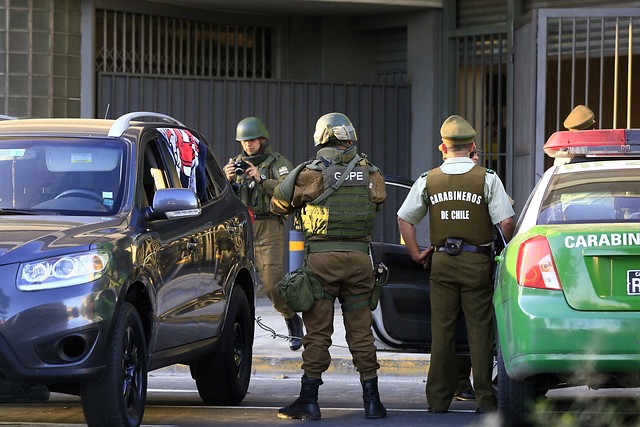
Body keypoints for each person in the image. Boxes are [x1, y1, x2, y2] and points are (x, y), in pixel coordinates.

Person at [271, 112, 387, 420]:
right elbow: (379, 198)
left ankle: (309, 400)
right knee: (361, 332)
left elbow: (278, 203)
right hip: (360, 261)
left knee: (318, 333)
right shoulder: (370, 171)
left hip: (322, 262)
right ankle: (373, 401)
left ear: (322, 138)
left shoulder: (310, 172)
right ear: (349, 137)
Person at [397, 115, 515, 413]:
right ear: (473, 146)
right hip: (477, 262)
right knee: (480, 334)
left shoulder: (429, 179)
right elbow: (507, 221)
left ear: (443, 148)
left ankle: (438, 400)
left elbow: (404, 218)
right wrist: (499, 251)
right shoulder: (487, 178)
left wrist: (415, 253)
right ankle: (485, 400)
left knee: (442, 333)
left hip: (442, 264)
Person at [224, 116, 303, 351]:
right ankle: (239, 335)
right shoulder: (236, 164)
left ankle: (290, 318)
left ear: (262, 139)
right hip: (242, 230)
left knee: (271, 283)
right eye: (244, 142)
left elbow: (289, 191)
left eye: (252, 141)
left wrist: (261, 178)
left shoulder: (277, 163)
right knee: (235, 285)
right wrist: (226, 180)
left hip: (268, 227)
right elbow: (220, 198)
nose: (248, 145)